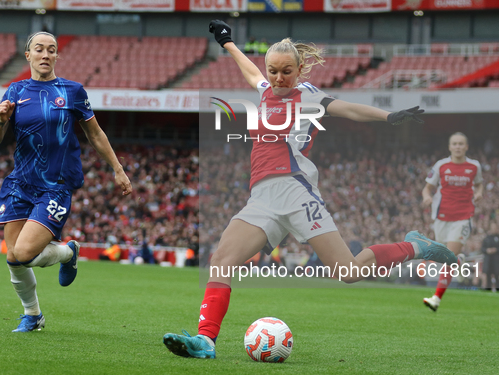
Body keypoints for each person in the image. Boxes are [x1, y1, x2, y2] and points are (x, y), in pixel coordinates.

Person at [162, 20, 457, 359]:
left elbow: (348, 109)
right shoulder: (264, 92)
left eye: (286, 71)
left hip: (296, 191)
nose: (278, 78)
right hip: (262, 197)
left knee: (347, 272)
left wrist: (389, 116)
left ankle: (414, 246)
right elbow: (249, 71)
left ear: (300, 69)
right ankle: (206, 341)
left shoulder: (310, 96)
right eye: (273, 71)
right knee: (221, 261)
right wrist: (227, 42)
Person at [0, 31, 132, 333]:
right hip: (20, 183)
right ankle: (33, 315)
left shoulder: (72, 91)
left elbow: (95, 134)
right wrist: (0, 120)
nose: (45, 55)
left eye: (51, 50)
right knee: (13, 258)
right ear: (27, 56)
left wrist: (118, 168)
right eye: (39, 50)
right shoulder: (14, 91)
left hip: (56, 184)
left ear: (56, 56)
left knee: (25, 253)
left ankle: (68, 252)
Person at [421, 132, 483, 311]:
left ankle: (436, 299)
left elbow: (479, 184)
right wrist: (426, 197)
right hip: (441, 217)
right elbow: (427, 188)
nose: (457, 146)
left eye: (461, 144)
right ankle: (459, 262)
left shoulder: (474, 166)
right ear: (449, 147)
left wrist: (479, 194)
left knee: (448, 259)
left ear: (466, 147)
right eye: (454, 144)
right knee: (444, 258)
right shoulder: (441, 165)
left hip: (463, 217)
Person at [481, 221, 499, 292]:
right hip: (488, 260)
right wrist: (487, 250)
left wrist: (496, 250)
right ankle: (488, 289)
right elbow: (482, 248)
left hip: (497, 260)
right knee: (488, 275)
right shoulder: (487, 238)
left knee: (497, 275)